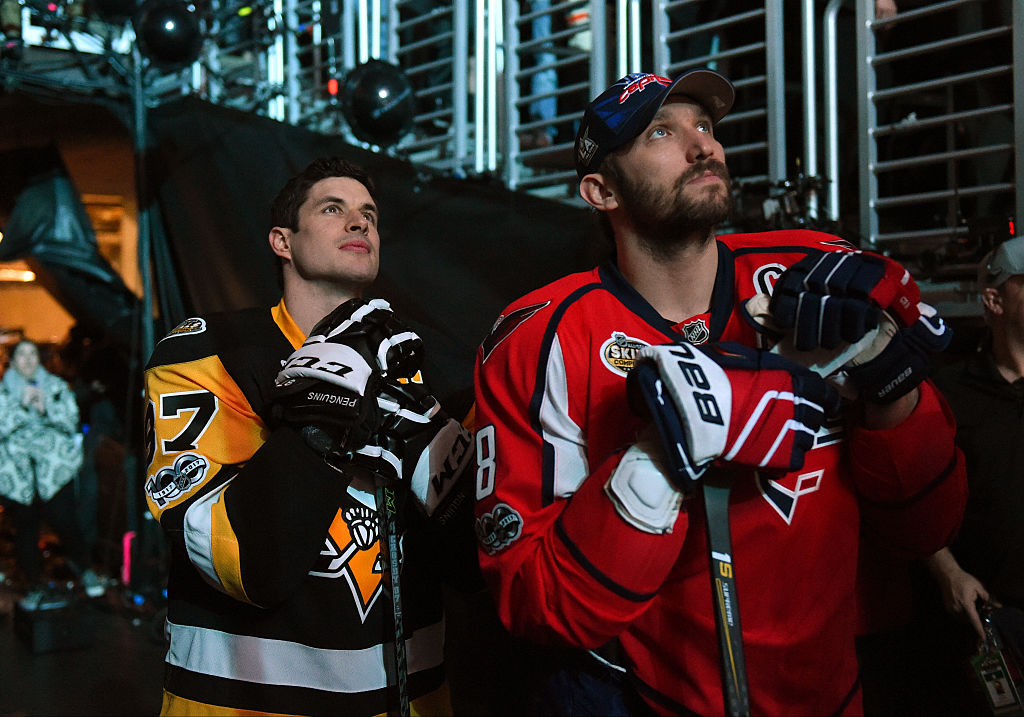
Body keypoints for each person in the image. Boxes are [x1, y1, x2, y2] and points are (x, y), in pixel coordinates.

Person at [472, 70, 968, 716]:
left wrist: (891, 390)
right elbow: (536, 601)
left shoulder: (813, 267)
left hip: (843, 691)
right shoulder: (541, 337)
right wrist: (656, 457)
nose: (703, 146)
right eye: (663, 133)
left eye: (705, 127)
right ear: (601, 190)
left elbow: (930, 523)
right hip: (653, 698)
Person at [143, 156, 476, 716]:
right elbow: (245, 565)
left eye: (368, 214)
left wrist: (445, 479)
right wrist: (320, 423)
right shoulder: (209, 353)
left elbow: (474, 569)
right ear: (282, 241)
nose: (359, 223)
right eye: (333, 209)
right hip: (246, 703)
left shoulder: (413, 371)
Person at [925, 235, 1024, 710]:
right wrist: (948, 572)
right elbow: (915, 499)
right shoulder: (948, 392)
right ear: (994, 299)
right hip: (989, 618)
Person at [0, 339, 102, 608]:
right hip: (18, 476)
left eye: (32, 354)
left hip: (54, 472)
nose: (27, 360)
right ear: (12, 360)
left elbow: (71, 422)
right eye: (21, 355)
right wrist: (22, 406)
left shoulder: (55, 387)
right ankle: (33, 586)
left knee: (65, 522)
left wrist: (45, 408)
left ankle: (85, 569)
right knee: (25, 531)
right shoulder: (3, 391)